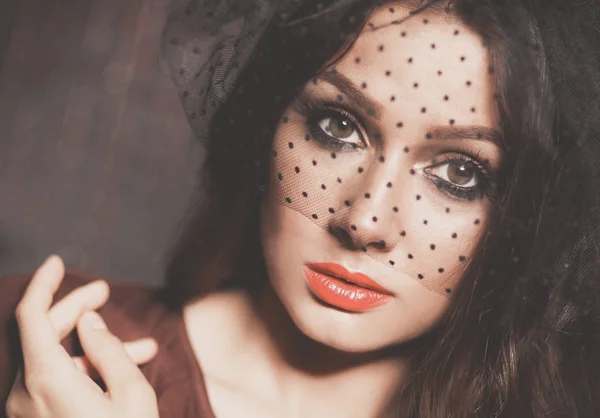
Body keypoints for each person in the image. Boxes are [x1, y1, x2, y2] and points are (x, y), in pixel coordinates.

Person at [2, 0, 600, 416]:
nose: (365, 220)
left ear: (526, 219)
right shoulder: (46, 354)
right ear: (265, 125)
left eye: (458, 173)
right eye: (337, 128)